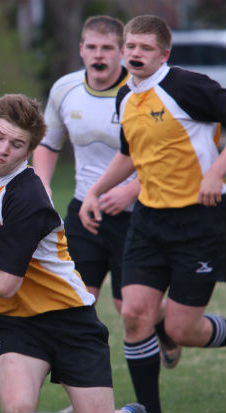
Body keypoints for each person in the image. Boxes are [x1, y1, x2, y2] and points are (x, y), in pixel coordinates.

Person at [0, 93, 144, 413]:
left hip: (70, 319)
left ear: (29, 151)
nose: (3, 149)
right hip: (14, 322)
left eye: (16, 144)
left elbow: (5, 284)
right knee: (18, 408)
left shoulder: (27, 197)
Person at [79, 15, 226, 413]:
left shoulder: (187, 86)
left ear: (164, 53)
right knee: (134, 315)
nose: (135, 54)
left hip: (199, 221)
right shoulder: (124, 95)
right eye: (130, 46)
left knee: (182, 329)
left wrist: (216, 171)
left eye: (145, 48)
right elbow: (131, 156)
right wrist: (96, 191)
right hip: (148, 222)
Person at [32, 15, 181, 370]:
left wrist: (131, 190)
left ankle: (164, 324)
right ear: (82, 50)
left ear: (122, 52)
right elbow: (49, 144)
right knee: (77, 304)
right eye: (93, 47)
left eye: (108, 48)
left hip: (139, 214)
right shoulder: (64, 89)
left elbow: (168, 155)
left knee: (128, 309)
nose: (100, 55)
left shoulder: (143, 91)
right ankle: (84, 395)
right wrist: (43, 185)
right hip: (86, 209)